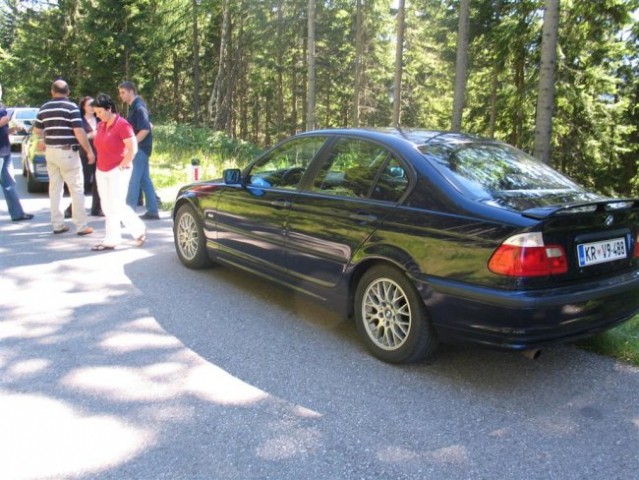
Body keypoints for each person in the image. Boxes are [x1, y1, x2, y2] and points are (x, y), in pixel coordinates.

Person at [32, 79, 94, 235]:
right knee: (76, 188)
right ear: (68, 92)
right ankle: (81, 226)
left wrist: (43, 140)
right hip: (68, 152)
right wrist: (88, 150)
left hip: (51, 152)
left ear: (52, 92)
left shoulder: (44, 107)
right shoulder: (71, 107)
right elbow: (79, 131)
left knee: (55, 188)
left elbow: (37, 131)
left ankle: (58, 224)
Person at [90, 93, 146, 251]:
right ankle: (112, 239)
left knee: (117, 204)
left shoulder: (122, 125)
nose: (98, 115)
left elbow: (132, 148)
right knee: (107, 206)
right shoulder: (101, 125)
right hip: (102, 169)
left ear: (109, 109)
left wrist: (122, 165)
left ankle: (138, 230)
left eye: (100, 112)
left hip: (118, 169)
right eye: (96, 113)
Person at [118, 81, 160, 220]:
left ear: (131, 91)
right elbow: (149, 124)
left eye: (123, 92)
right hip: (143, 148)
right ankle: (153, 210)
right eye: (120, 92)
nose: (121, 95)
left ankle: (128, 214)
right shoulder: (135, 107)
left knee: (133, 180)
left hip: (140, 149)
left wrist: (132, 144)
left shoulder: (139, 107)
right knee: (144, 179)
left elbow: (146, 129)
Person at [64, 96, 103, 218]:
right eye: (89, 105)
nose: (92, 107)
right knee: (83, 182)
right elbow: (77, 136)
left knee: (99, 182)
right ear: (83, 107)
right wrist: (90, 135)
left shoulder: (100, 119)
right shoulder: (79, 120)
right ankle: (71, 209)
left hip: (100, 153)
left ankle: (97, 208)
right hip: (85, 153)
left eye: (94, 105)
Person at [0, 96, 33, 222]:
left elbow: (4, 131)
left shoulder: (2, 109)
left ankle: (17, 213)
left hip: (5, 151)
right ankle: (17, 213)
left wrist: (12, 130)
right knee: (8, 184)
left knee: (9, 184)